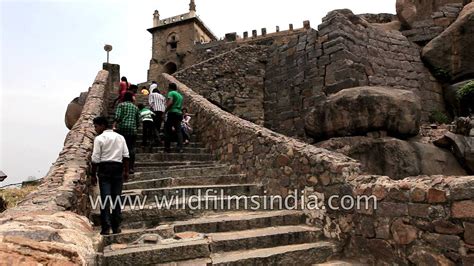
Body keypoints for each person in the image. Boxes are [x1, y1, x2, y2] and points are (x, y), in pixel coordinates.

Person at [91, 116, 130, 235]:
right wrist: (126, 171)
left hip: (104, 169)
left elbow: (95, 158)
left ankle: (106, 228)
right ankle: (116, 226)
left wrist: (93, 175)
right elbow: (126, 156)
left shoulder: (99, 138)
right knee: (117, 198)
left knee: (105, 198)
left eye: (96, 126)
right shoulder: (120, 137)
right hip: (118, 168)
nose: (95, 128)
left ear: (102, 125)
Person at [114, 92, 140, 173]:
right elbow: (138, 120)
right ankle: (130, 168)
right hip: (132, 129)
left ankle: (121, 167)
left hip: (122, 129)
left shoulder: (121, 105)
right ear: (131, 98)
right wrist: (136, 127)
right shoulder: (135, 107)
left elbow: (117, 117)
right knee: (131, 148)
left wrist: (115, 125)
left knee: (120, 147)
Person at [164, 83, 184, 153]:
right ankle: (180, 147)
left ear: (170, 87)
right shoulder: (180, 95)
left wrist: (165, 111)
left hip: (172, 112)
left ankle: (167, 148)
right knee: (179, 131)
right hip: (179, 113)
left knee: (167, 131)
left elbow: (170, 102)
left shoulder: (171, 93)